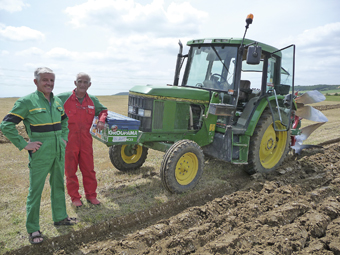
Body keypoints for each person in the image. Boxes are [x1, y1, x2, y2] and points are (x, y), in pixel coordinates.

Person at [0, 67, 77, 245]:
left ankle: (60, 217)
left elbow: (64, 120)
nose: (49, 83)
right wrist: (24, 144)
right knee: (35, 191)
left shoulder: (57, 100)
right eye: (45, 80)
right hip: (40, 152)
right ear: (36, 82)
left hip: (58, 150)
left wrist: (64, 139)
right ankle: (33, 227)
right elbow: (6, 125)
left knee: (58, 184)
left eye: (51, 80)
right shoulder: (27, 102)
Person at [57, 72, 108, 207]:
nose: (82, 84)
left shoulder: (92, 100)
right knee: (70, 170)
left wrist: (101, 120)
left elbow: (103, 110)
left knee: (89, 170)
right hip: (69, 142)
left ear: (89, 85)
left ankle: (91, 196)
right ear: (75, 83)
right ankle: (75, 197)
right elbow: (50, 107)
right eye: (80, 81)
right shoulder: (63, 98)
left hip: (86, 141)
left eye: (85, 82)